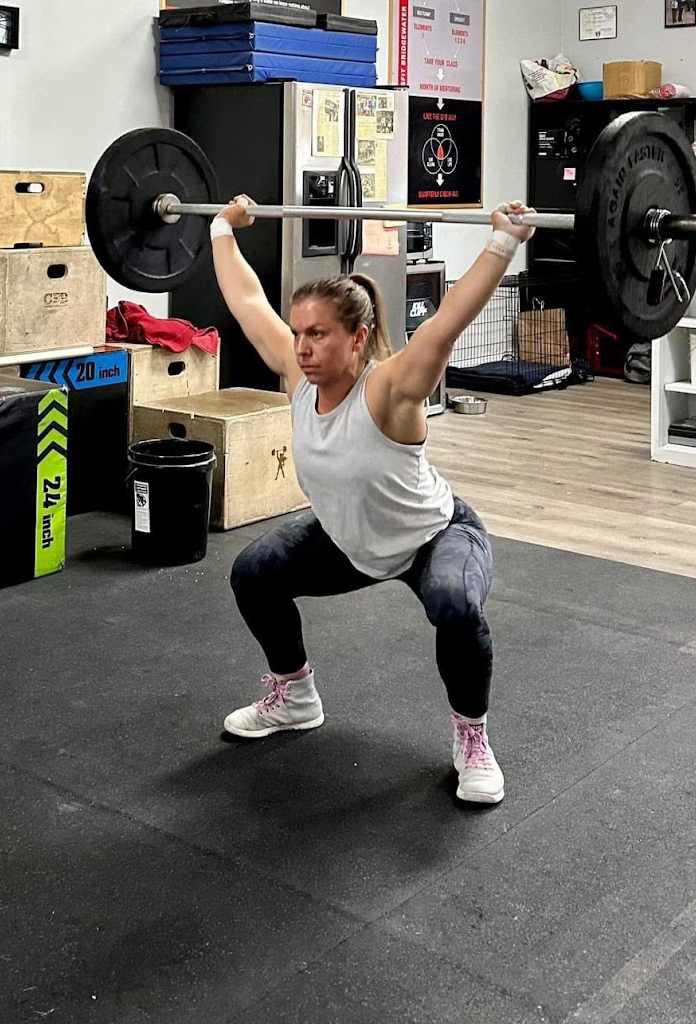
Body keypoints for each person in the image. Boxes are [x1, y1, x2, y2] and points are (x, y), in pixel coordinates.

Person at [208, 195, 536, 804]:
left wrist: (502, 242)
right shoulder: (297, 378)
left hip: (432, 537)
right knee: (254, 571)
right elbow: (247, 302)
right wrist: (222, 228)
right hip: (349, 540)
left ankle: (472, 737)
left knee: (455, 604)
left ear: (358, 338)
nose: (302, 347)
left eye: (319, 334)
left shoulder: (388, 389)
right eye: (299, 333)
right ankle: (295, 695)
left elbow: (445, 326)